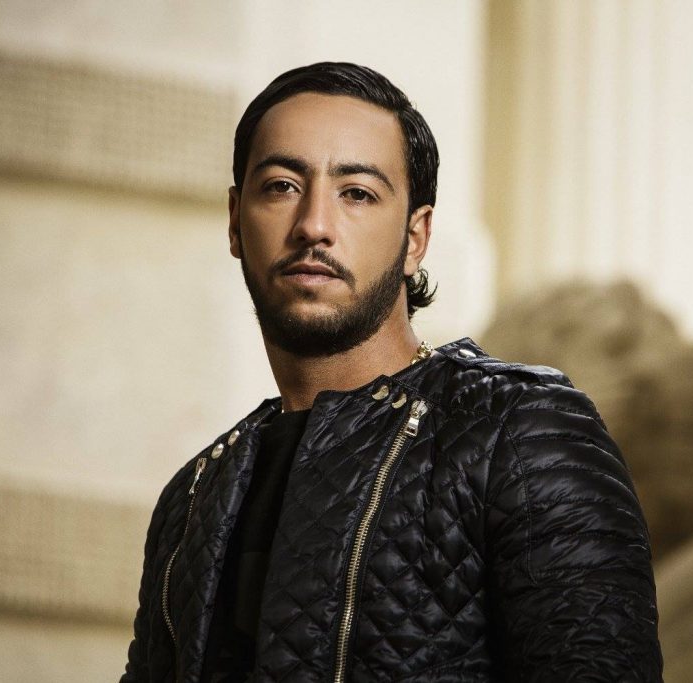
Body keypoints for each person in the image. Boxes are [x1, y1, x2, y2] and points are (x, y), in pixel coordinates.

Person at [122, 62, 661, 682]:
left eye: (356, 193)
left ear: (416, 237)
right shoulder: (194, 496)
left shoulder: (520, 432)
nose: (314, 225)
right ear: (236, 221)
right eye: (282, 186)